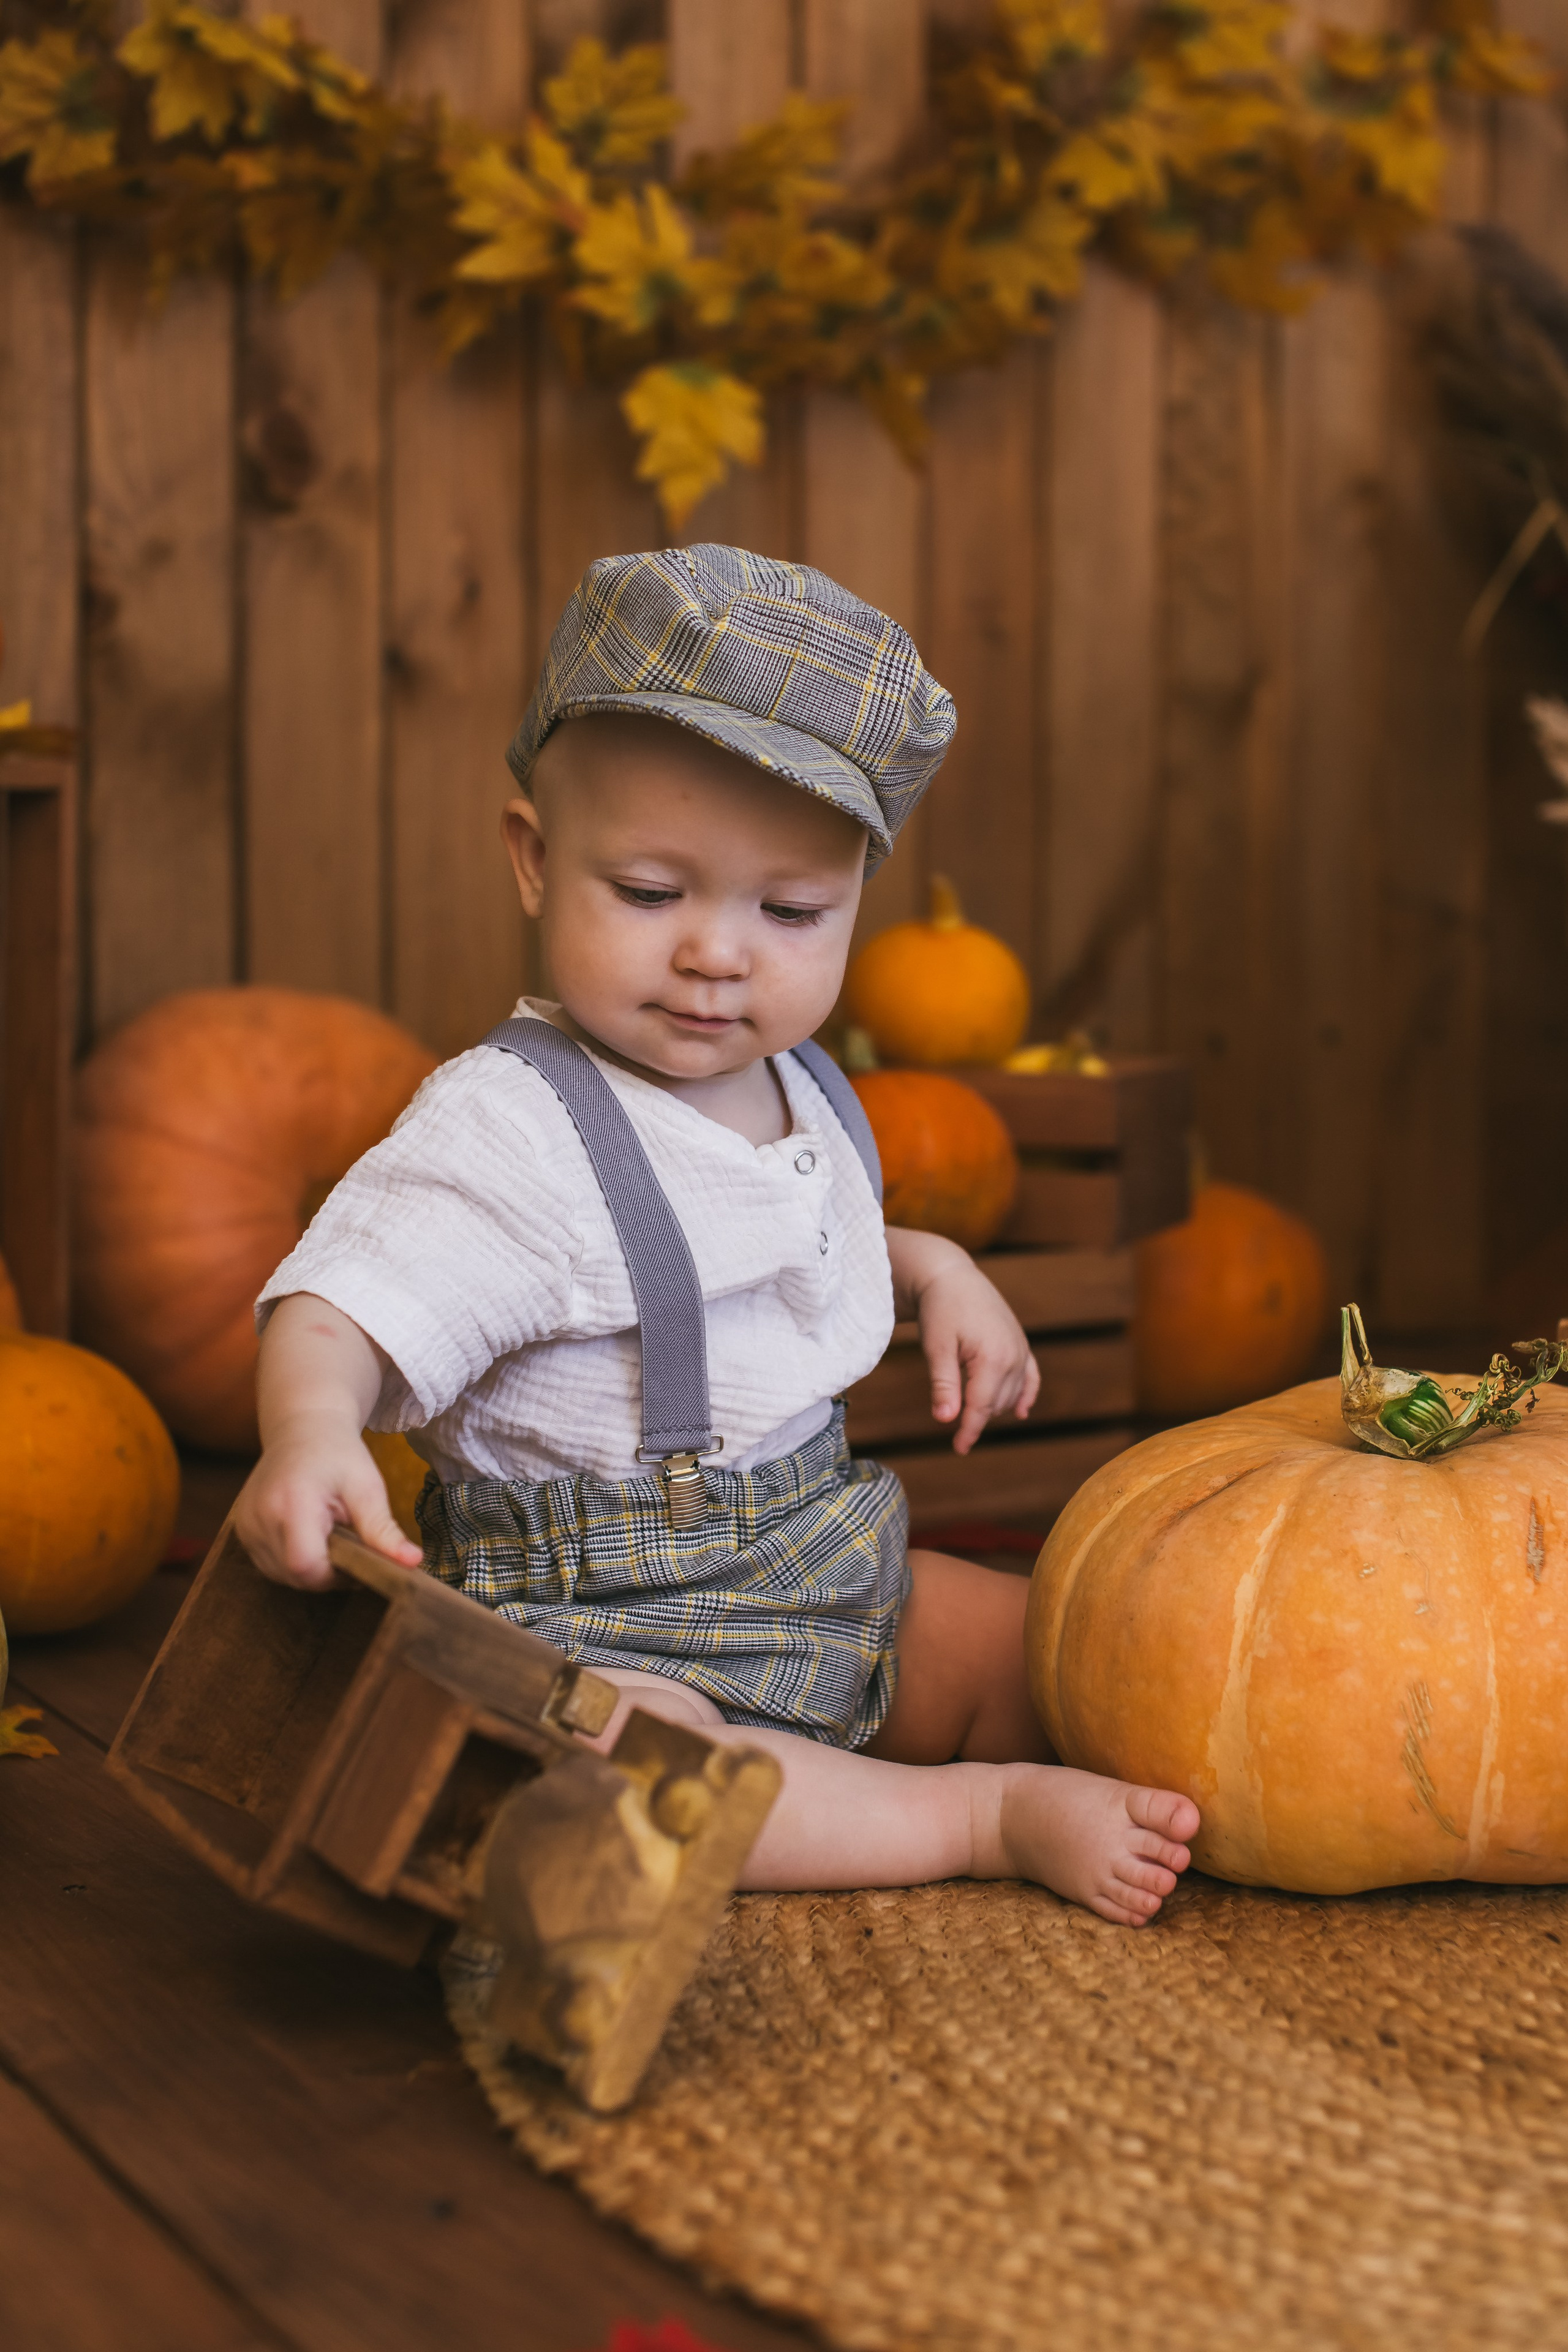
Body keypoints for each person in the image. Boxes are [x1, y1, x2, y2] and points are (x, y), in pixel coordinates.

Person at [235, 543, 1199, 1926]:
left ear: (856, 897)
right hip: (600, 1619)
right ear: (533, 858)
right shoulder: (509, 1126)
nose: (717, 954)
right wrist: (313, 1428)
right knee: (634, 1775)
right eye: (647, 894)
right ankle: (967, 1813)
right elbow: (348, 1297)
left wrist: (941, 1272)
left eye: (790, 911)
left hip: (820, 1558)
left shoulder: (801, 1083)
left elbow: (791, 1242)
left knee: (1068, 1645)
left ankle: (1056, 1758)